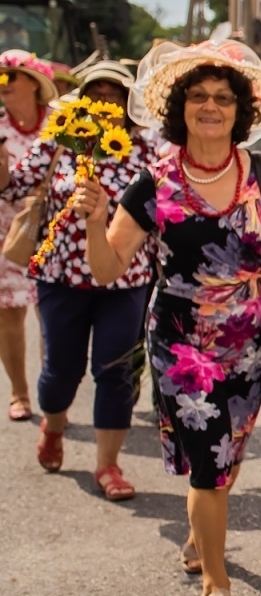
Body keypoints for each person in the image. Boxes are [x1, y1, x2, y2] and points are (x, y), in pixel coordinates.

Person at [73, 40, 261, 596]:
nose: (210, 106)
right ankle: (216, 587)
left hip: (254, 338)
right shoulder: (152, 184)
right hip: (183, 343)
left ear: (240, 111)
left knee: (228, 454)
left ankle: (200, 535)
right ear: (180, 108)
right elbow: (108, 269)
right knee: (210, 465)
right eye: (198, 97)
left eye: (222, 98)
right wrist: (92, 216)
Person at [0, 61, 155, 498]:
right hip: (61, 276)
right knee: (61, 371)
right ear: (84, 98)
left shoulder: (144, 151)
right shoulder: (59, 141)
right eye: (97, 90)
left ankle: (108, 466)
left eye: (114, 92)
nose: (105, 99)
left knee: (116, 371)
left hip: (125, 281)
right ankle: (52, 423)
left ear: (127, 103)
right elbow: (11, 188)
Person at [0, 49, 59, 421]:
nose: (1, 84)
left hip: (51, 231)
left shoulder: (59, 124)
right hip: (5, 231)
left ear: (34, 84)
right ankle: (19, 394)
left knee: (52, 316)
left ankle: (52, 396)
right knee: (9, 314)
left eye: (8, 76)